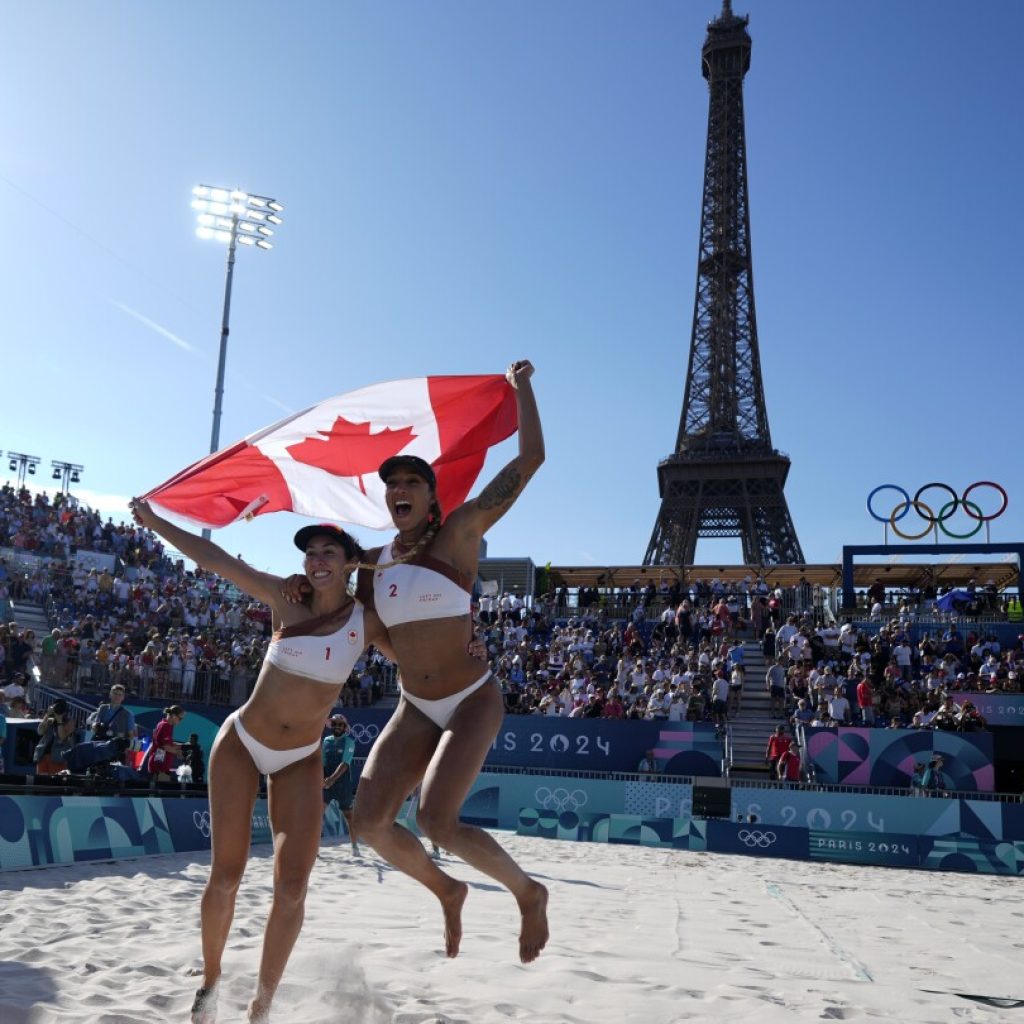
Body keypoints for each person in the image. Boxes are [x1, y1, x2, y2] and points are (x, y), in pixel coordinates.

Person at [287, 360, 548, 963]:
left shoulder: (459, 533)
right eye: (391, 484)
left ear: (433, 497)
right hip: (416, 705)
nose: (398, 490)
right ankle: (447, 890)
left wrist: (522, 388)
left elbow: (528, 461)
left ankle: (528, 892)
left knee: (437, 820)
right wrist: (300, 591)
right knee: (369, 822)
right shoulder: (372, 566)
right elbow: (364, 630)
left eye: (411, 482)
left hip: (471, 698)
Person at [130, 500, 393, 1024]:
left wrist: (470, 645)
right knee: (226, 875)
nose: (317, 559)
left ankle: (262, 1004)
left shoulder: (367, 620)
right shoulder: (283, 596)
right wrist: (156, 522)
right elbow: (215, 558)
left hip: (300, 757)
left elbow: (421, 650)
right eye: (311, 552)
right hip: (243, 743)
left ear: (349, 562)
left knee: (293, 886)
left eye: (329, 552)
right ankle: (210, 982)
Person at [322, 714, 359, 856]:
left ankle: (355, 846)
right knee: (317, 814)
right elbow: (322, 763)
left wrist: (331, 779)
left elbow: (345, 764)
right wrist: (322, 779)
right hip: (326, 784)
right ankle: (315, 848)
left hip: (343, 785)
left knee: (349, 817)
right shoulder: (326, 741)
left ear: (345, 727)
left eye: (340, 724)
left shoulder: (349, 742)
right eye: (335, 723)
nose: (337, 726)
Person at [34, 698, 77, 775]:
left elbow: (62, 737)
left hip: (58, 758)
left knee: (54, 782)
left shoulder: (69, 721)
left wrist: (59, 719)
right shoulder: (50, 719)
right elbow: (40, 732)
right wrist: (48, 714)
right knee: (41, 782)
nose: (59, 710)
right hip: (43, 755)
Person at [145, 705, 186, 782]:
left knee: (159, 791)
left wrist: (183, 746)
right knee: (161, 791)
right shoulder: (166, 726)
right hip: (159, 767)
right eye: (180, 718)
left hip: (159, 766)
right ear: (173, 716)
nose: (180, 721)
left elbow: (167, 744)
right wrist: (178, 752)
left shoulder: (163, 723)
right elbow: (166, 747)